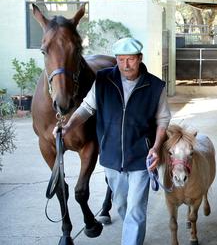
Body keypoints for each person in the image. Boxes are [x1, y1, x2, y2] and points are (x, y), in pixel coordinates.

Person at [55, 37, 170, 245]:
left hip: (141, 158)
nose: (126, 65)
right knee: (121, 205)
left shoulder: (155, 86)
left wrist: (155, 147)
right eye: (121, 59)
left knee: (135, 209)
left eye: (131, 59)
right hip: (111, 157)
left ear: (140, 58)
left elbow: (162, 120)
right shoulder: (103, 81)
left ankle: (131, 241)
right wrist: (68, 126)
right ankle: (132, 233)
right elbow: (87, 108)